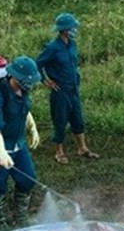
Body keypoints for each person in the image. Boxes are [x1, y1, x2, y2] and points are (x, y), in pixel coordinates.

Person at [0, 55, 41, 229]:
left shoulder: (23, 89)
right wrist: (1, 152)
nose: (30, 85)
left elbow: (24, 109)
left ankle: (20, 215)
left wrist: (32, 127)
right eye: (26, 81)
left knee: (28, 179)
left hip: (17, 144)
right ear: (15, 77)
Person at [36, 12, 99, 165]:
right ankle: (59, 152)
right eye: (72, 28)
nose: (74, 30)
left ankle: (82, 148)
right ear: (64, 30)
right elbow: (37, 63)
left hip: (73, 88)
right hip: (60, 90)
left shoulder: (72, 44)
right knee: (60, 120)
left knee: (78, 118)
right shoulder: (52, 48)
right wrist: (45, 81)